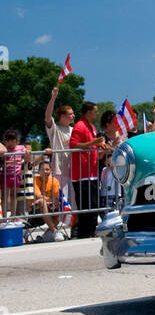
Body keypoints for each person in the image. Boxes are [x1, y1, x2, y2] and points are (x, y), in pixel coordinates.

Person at [69, 102, 105, 238]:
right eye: (95, 111)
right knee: (86, 206)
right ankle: (85, 233)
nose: (97, 114)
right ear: (88, 112)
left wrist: (101, 145)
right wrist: (93, 143)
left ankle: (91, 231)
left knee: (93, 205)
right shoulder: (80, 126)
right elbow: (73, 145)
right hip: (82, 174)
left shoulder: (91, 127)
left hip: (91, 172)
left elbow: (93, 144)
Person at [44, 86, 75, 230]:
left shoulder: (73, 130)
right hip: (59, 170)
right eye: (70, 113)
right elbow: (47, 118)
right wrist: (53, 98)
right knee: (61, 202)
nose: (73, 115)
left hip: (73, 171)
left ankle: (72, 228)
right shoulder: (55, 129)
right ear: (62, 116)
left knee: (73, 203)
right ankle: (57, 230)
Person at [32, 156, 66, 240]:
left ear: (50, 171)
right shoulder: (35, 180)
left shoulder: (54, 181)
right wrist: (50, 200)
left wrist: (53, 200)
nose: (45, 172)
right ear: (39, 171)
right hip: (36, 208)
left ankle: (48, 233)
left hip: (51, 206)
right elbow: (38, 196)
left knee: (63, 204)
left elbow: (57, 197)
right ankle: (54, 231)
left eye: (47, 169)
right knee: (42, 201)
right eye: (42, 170)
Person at [0, 129, 30, 217]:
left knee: (13, 195)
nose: (11, 143)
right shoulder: (4, 149)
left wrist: (28, 153)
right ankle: (5, 216)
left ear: (17, 140)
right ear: (6, 141)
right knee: (4, 196)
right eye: (9, 141)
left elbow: (27, 158)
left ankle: (13, 216)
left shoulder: (20, 148)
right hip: (4, 176)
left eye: (13, 141)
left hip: (16, 175)